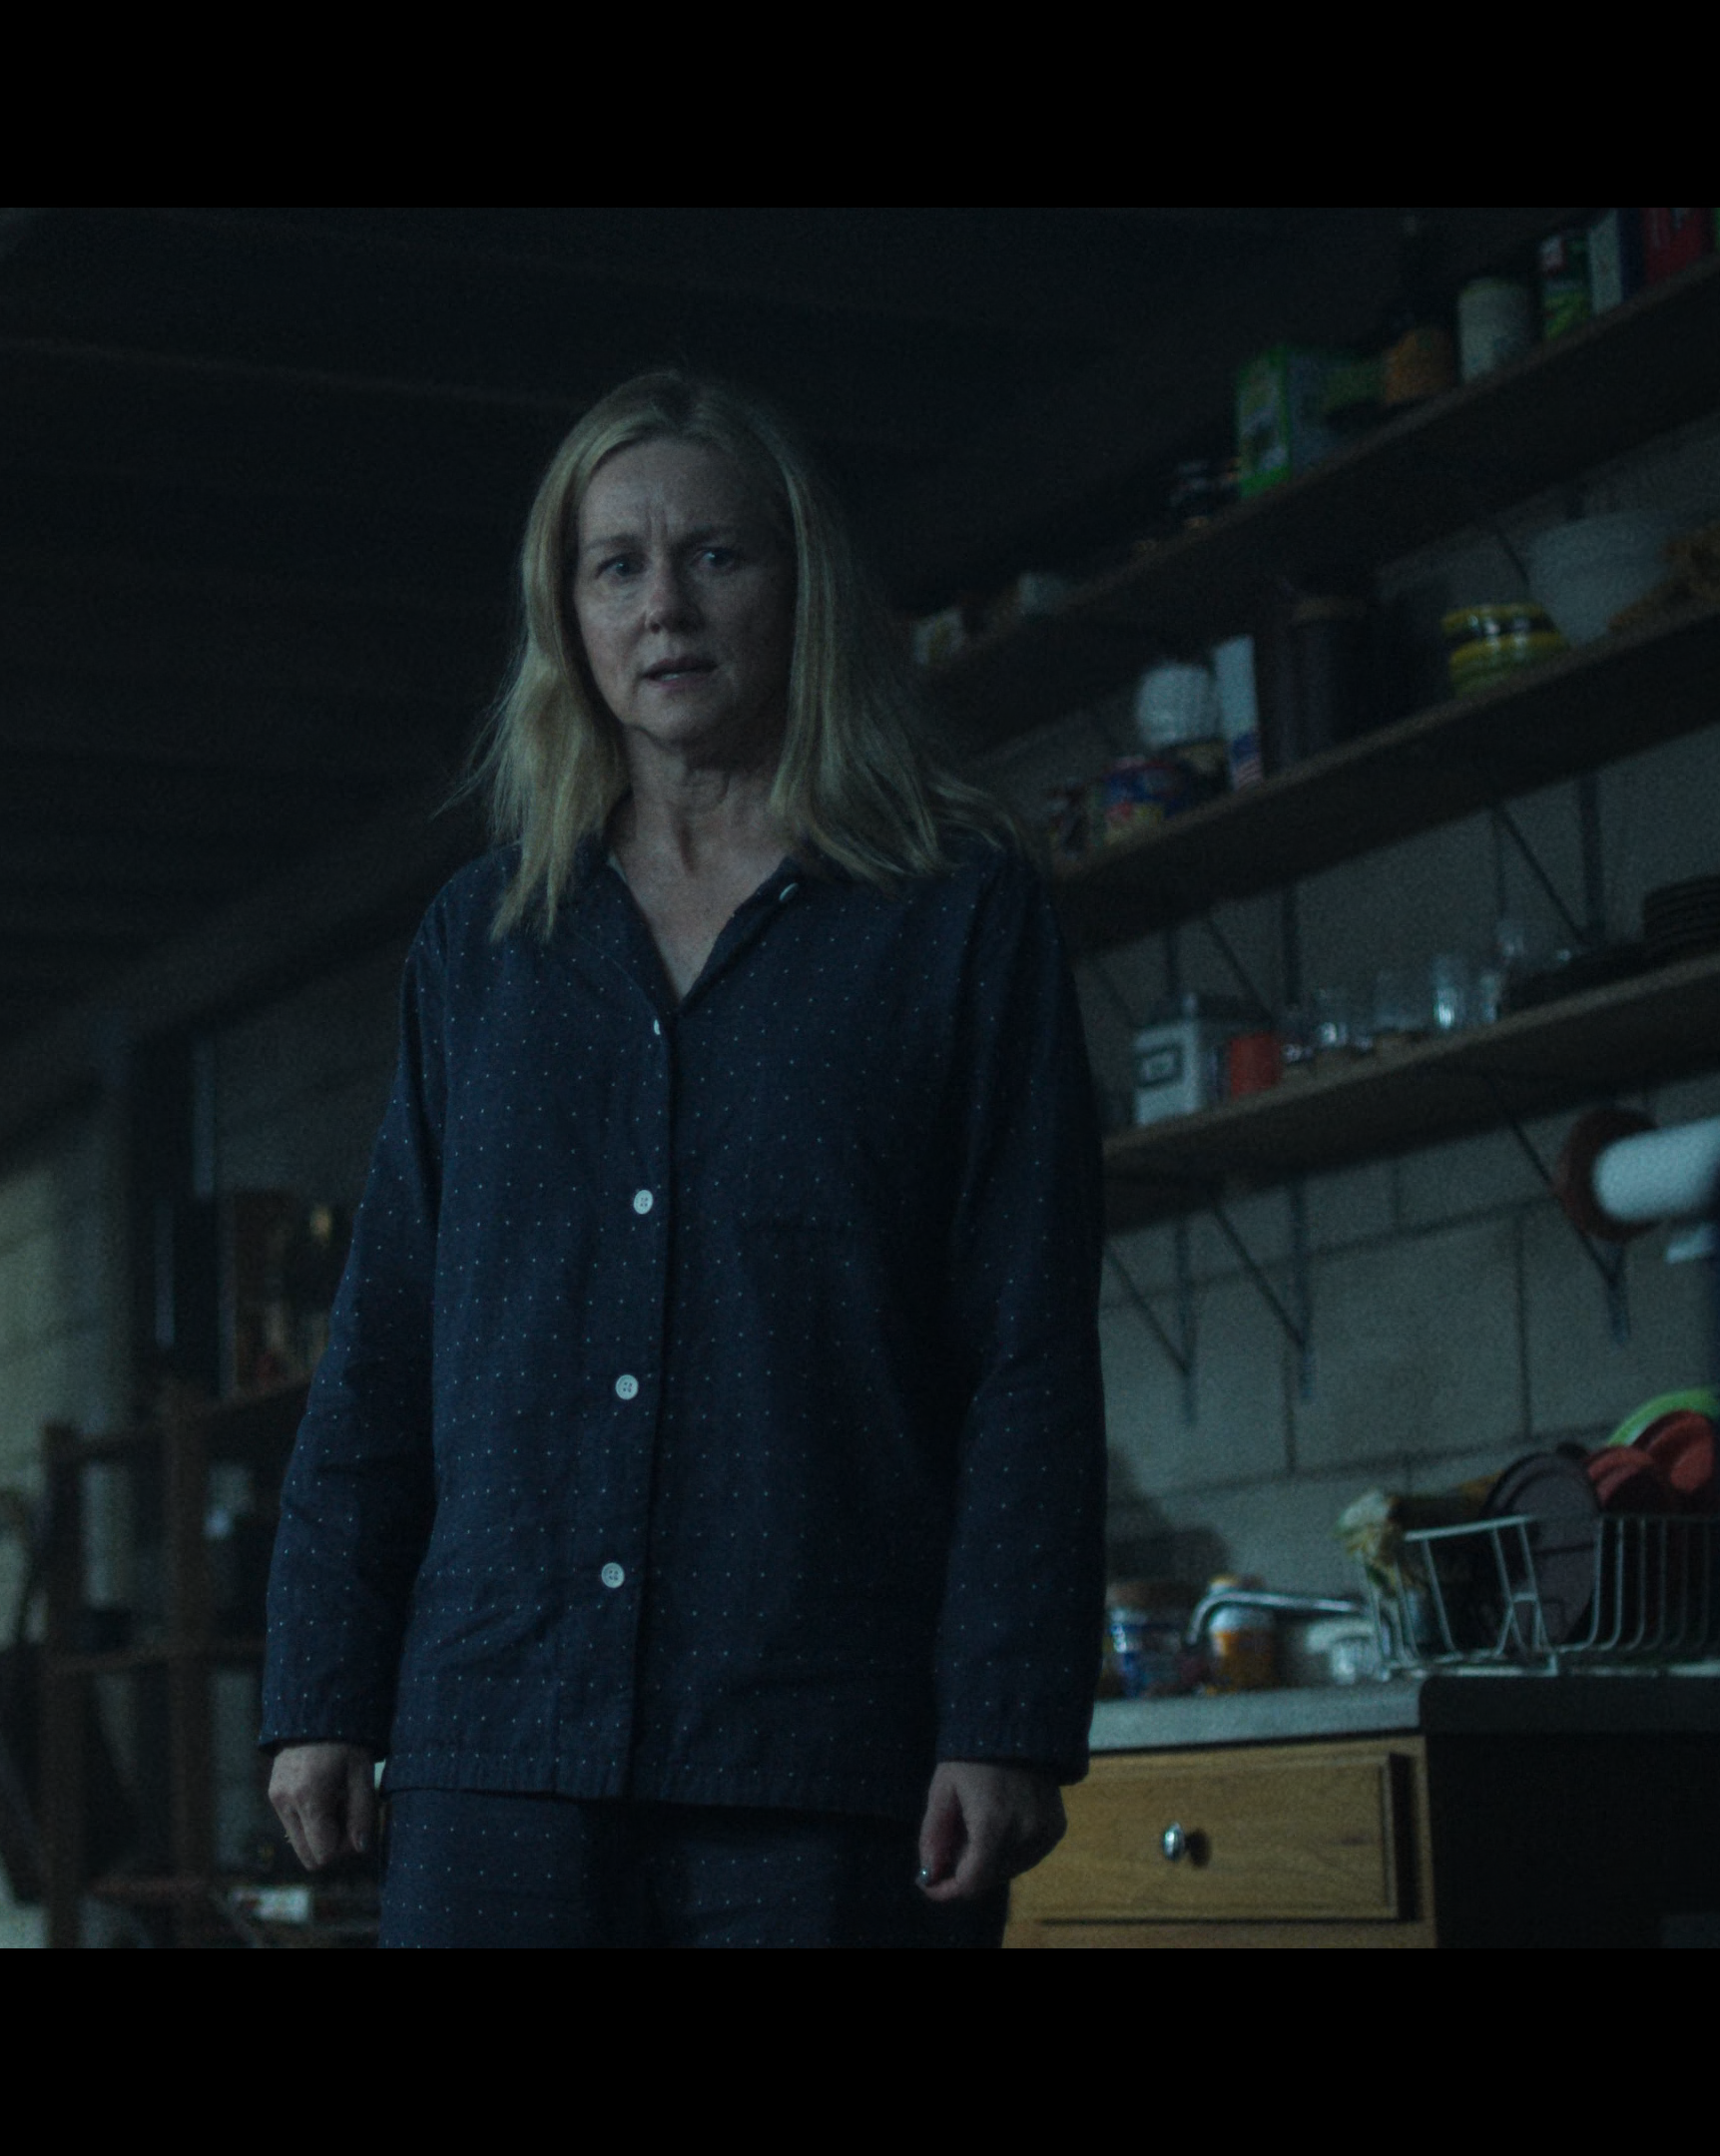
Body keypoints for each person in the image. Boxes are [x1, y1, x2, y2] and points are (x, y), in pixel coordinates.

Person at [257, 369, 1105, 1946]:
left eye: (717, 555)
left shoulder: (952, 917)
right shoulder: (486, 942)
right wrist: (320, 1684)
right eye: (617, 565)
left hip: (824, 1749)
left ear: (800, 586)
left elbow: (1028, 1347)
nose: (666, 605)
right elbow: (385, 1339)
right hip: (499, 1747)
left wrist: (1006, 1712)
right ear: (568, 616)